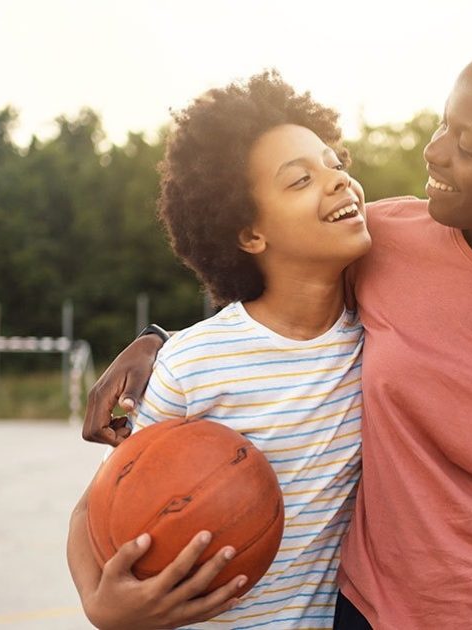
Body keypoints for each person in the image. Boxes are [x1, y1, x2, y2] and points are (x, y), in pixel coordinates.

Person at [85, 14, 472, 629]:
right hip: (376, 613)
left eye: (468, 144)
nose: (433, 150)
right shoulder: (386, 241)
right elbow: (281, 282)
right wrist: (156, 343)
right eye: (444, 122)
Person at [67, 71, 373, 629]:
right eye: (300, 180)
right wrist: (102, 607)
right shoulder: (194, 364)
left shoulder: (381, 336)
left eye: (337, 163)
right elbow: (98, 507)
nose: (337, 182)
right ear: (249, 234)